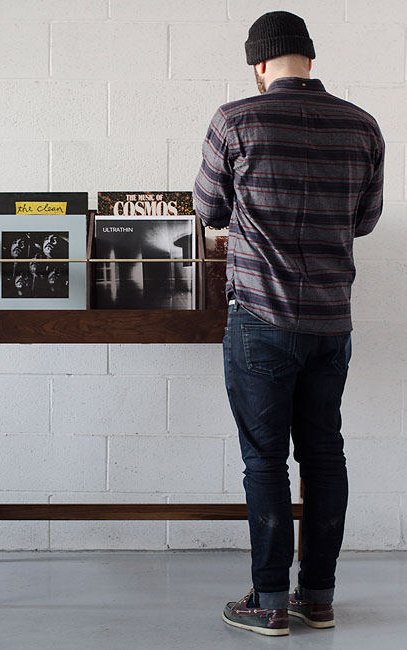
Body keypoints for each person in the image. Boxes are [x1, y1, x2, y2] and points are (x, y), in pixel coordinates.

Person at [193, 10, 385, 637]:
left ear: (258, 64)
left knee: (265, 461)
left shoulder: (236, 120)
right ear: (309, 58)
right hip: (332, 322)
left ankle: (271, 601)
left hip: (261, 319)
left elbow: (210, 209)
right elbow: (364, 221)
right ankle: (319, 597)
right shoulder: (363, 127)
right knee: (324, 454)